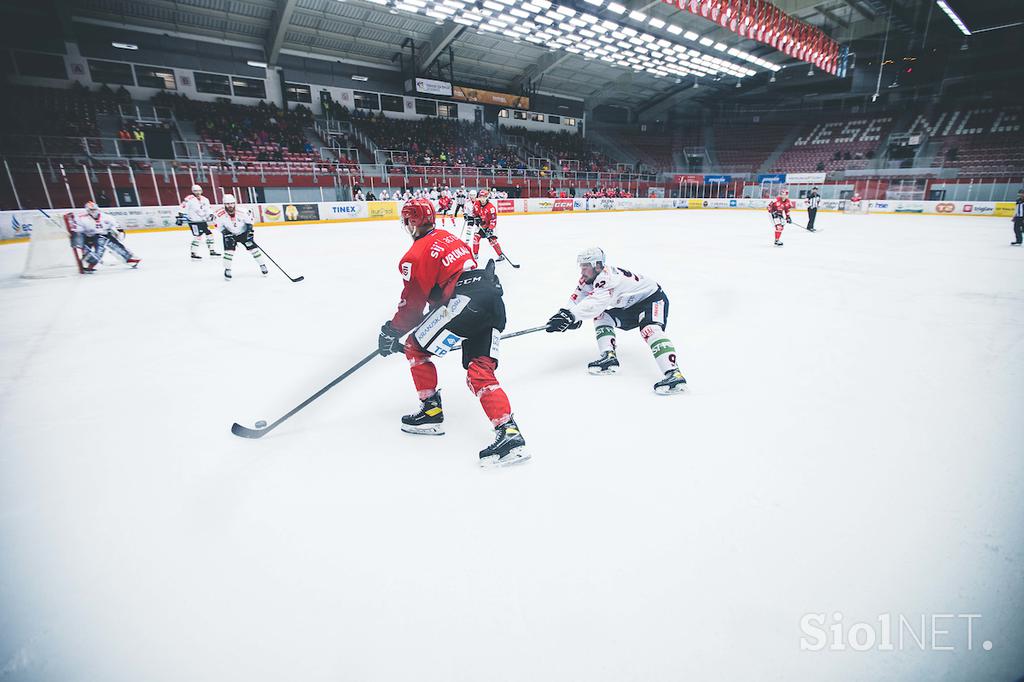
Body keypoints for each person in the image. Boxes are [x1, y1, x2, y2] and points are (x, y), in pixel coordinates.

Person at [377, 198, 528, 467]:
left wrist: (391, 332)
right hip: (492, 299)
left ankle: (431, 412)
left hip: (465, 304)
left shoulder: (413, 256)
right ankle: (510, 434)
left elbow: (413, 307)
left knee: (414, 346)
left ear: (411, 223)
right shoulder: (448, 237)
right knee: (479, 370)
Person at [546, 247, 686, 395]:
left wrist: (572, 316)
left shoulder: (608, 279)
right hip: (631, 305)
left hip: (652, 299)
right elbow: (577, 299)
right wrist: (565, 315)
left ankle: (674, 373)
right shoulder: (589, 279)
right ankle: (608, 357)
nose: (582, 271)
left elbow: (595, 304)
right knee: (602, 317)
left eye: (585, 267)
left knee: (650, 330)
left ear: (597, 266)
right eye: (581, 267)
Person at [73, 201, 140, 272]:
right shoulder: (81, 219)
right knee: (90, 252)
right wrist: (78, 239)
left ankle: (128, 258)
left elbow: (116, 226)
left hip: (104, 235)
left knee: (114, 245)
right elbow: (78, 231)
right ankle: (89, 264)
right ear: (87, 210)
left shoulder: (107, 217)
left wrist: (118, 232)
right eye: (91, 210)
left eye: (94, 209)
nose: (93, 211)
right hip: (88, 237)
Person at [215, 195, 267, 281]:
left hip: (243, 233)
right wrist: (226, 233)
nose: (230, 205)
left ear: (235, 203)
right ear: (224, 204)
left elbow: (250, 223)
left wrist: (249, 232)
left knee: (254, 250)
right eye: (227, 204)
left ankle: (262, 265)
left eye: (232, 203)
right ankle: (227, 269)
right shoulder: (218, 214)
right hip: (230, 234)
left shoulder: (243, 211)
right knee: (228, 253)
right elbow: (218, 226)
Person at [178, 184, 220, 259]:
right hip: (194, 221)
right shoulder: (189, 199)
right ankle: (193, 252)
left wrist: (210, 214)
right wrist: (180, 216)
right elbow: (183, 207)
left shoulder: (205, 199)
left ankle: (212, 250)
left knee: (209, 234)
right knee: (198, 236)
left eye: (199, 191)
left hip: (202, 221)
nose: (197, 192)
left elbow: (208, 209)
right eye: (195, 191)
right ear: (192, 191)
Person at [469, 189, 506, 262]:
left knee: (492, 241)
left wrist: (490, 229)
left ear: (487, 197)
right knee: (476, 238)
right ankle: (475, 254)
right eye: (481, 197)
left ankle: (500, 255)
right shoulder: (476, 204)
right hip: (481, 226)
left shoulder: (491, 208)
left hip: (490, 226)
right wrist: (476, 219)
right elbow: (474, 213)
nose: (482, 199)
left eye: (484, 197)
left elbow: (493, 220)